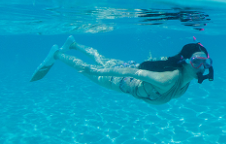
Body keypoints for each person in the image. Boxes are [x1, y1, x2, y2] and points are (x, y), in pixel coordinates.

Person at [30, 36, 214, 105]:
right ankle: (57, 54)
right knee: (86, 69)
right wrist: (96, 72)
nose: (202, 67)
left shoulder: (185, 85)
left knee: (100, 57)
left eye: (206, 62)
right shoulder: (169, 79)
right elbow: (132, 74)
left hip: (130, 72)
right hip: (120, 81)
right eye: (198, 61)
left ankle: (73, 44)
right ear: (184, 61)